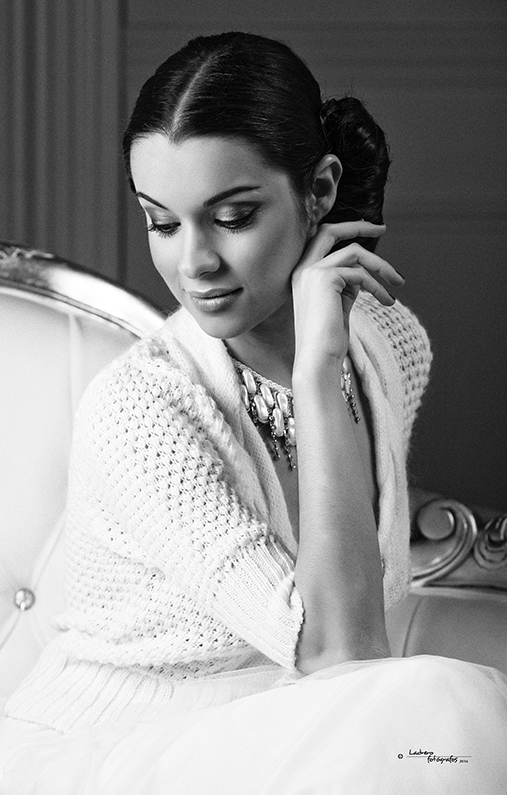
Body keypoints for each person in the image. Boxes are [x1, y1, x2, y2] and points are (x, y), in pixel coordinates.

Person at [1, 31, 506, 795]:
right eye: (162, 223)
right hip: (122, 749)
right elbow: (341, 653)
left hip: (297, 727)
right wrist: (316, 370)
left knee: (440, 721)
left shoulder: (388, 341)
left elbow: (349, 659)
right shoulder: (142, 409)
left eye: (233, 216)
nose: (193, 263)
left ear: (320, 189)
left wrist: (320, 363)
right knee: (435, 708)